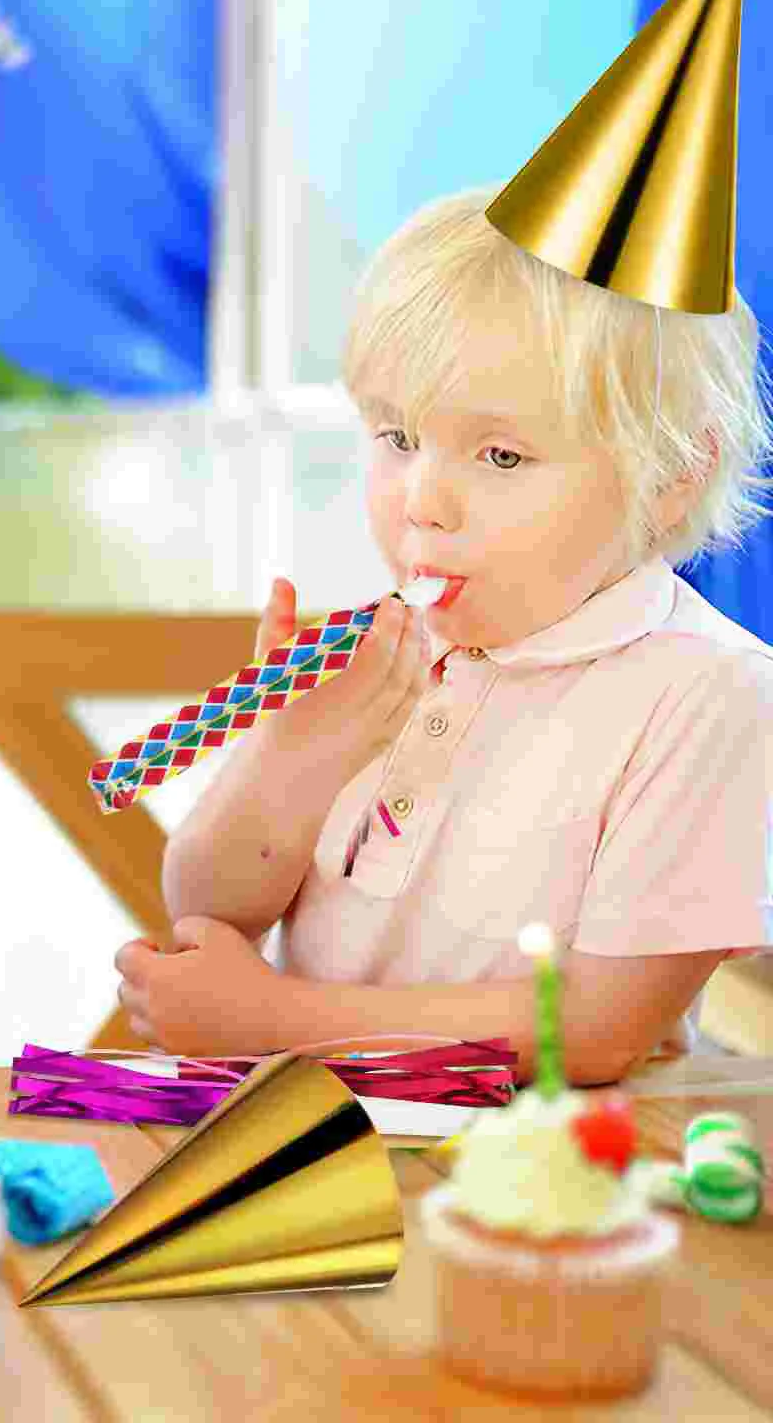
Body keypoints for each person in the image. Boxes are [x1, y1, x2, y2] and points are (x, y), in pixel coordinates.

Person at [115, 190, 773, 1085]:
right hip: (325, 1138)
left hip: (552, 1158)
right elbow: (205, 911)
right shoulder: (375, 657)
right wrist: (291, 754)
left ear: (670, 477)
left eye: (500, 455)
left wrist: (277, 1022)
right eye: (398, 436)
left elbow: (600, 1029)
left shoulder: (708, 694)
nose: (421, 501)